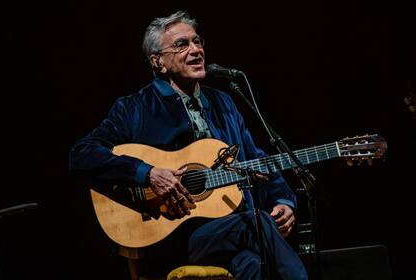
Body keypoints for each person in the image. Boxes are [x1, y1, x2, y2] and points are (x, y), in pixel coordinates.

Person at [69, 10, 308, 280]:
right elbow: (81, 154)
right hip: (170, 235)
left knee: (251, 264)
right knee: (258, 223)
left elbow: (255, 158)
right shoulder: (134, 108)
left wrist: (283, 200)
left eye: (198, 42)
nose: (196, 50)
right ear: (158, 62)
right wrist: (147, 173)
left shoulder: (224, 103)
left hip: (228, 231)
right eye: (182, 45)